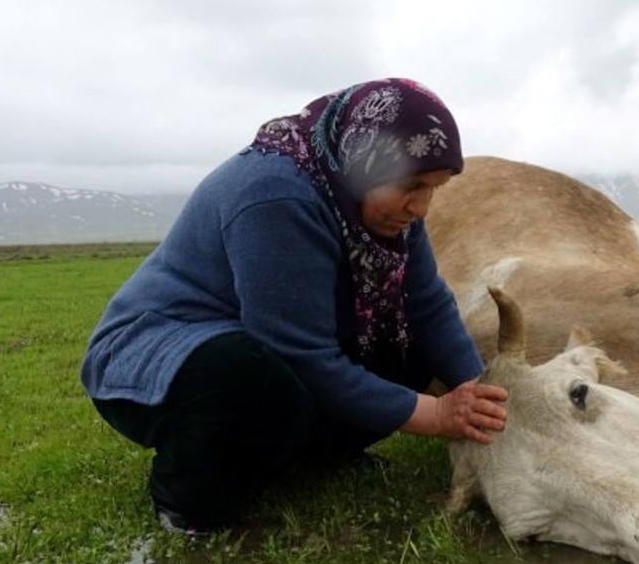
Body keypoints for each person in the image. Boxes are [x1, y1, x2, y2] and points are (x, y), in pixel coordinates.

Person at [80, 78, 509, 536]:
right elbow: (299, 354)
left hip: (260, 347)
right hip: (159, 355)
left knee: (405, 342)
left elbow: (426, 305)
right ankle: (185, 501)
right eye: (412, 185)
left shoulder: (386, 210)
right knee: (250, 375)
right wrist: (435, 415)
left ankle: (314, 456)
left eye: (434, 189)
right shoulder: (276, 194)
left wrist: (481, 392)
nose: (422, 208)